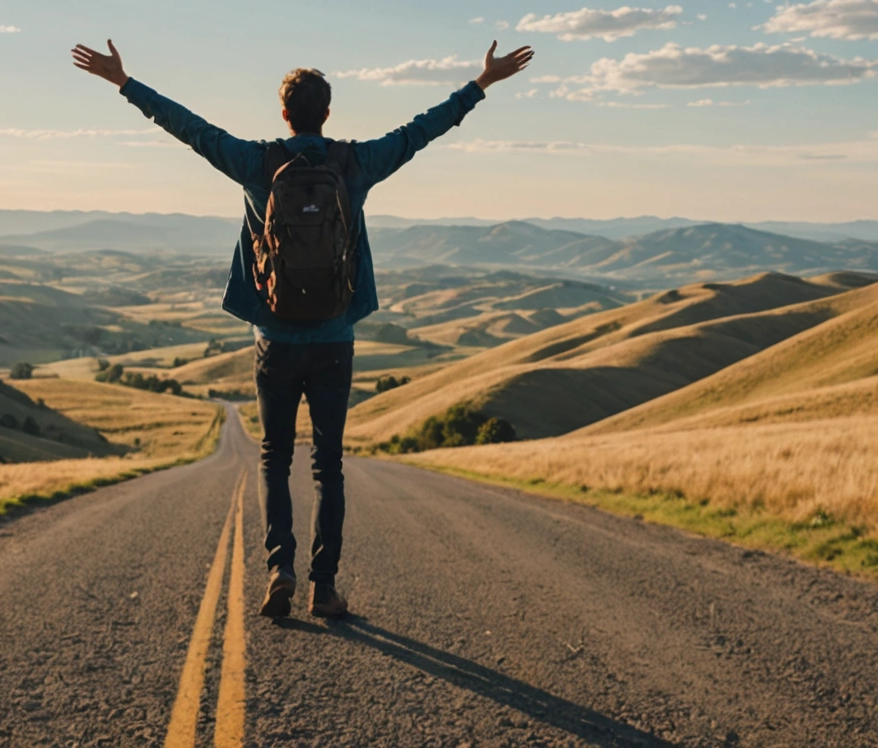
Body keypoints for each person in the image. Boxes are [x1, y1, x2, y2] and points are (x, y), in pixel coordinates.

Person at [70, 39, 533, 618]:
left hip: (275, 338)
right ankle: (324, 585)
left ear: (285, 114)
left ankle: (279, 569)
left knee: (274, 457)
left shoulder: (255, 162)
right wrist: (480, 84)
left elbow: (190, 129)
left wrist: (125, 82)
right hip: (335, 337)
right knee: (328, 464)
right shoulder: (355, 163)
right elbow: (421, 131)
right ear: (328, 113)